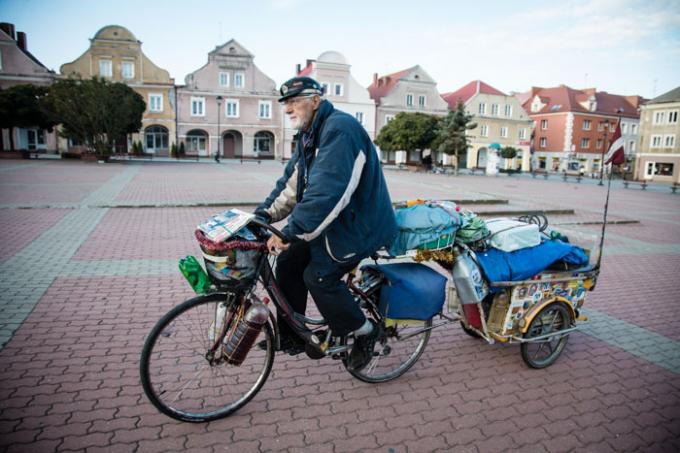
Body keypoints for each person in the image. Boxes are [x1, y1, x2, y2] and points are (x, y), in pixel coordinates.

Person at [255, 76, 397, 370]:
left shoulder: (340, 130)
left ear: (315, 100)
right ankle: (294, 333)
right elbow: (291, 185)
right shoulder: (309, 135)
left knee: (318, 276)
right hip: (334, 222)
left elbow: (328, 193)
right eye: (286, 104)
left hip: (359, 226)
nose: (288, 109)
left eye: (294, 102)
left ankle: (365, 332)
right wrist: (262, 216)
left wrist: (290, 232)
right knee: (289, 260)